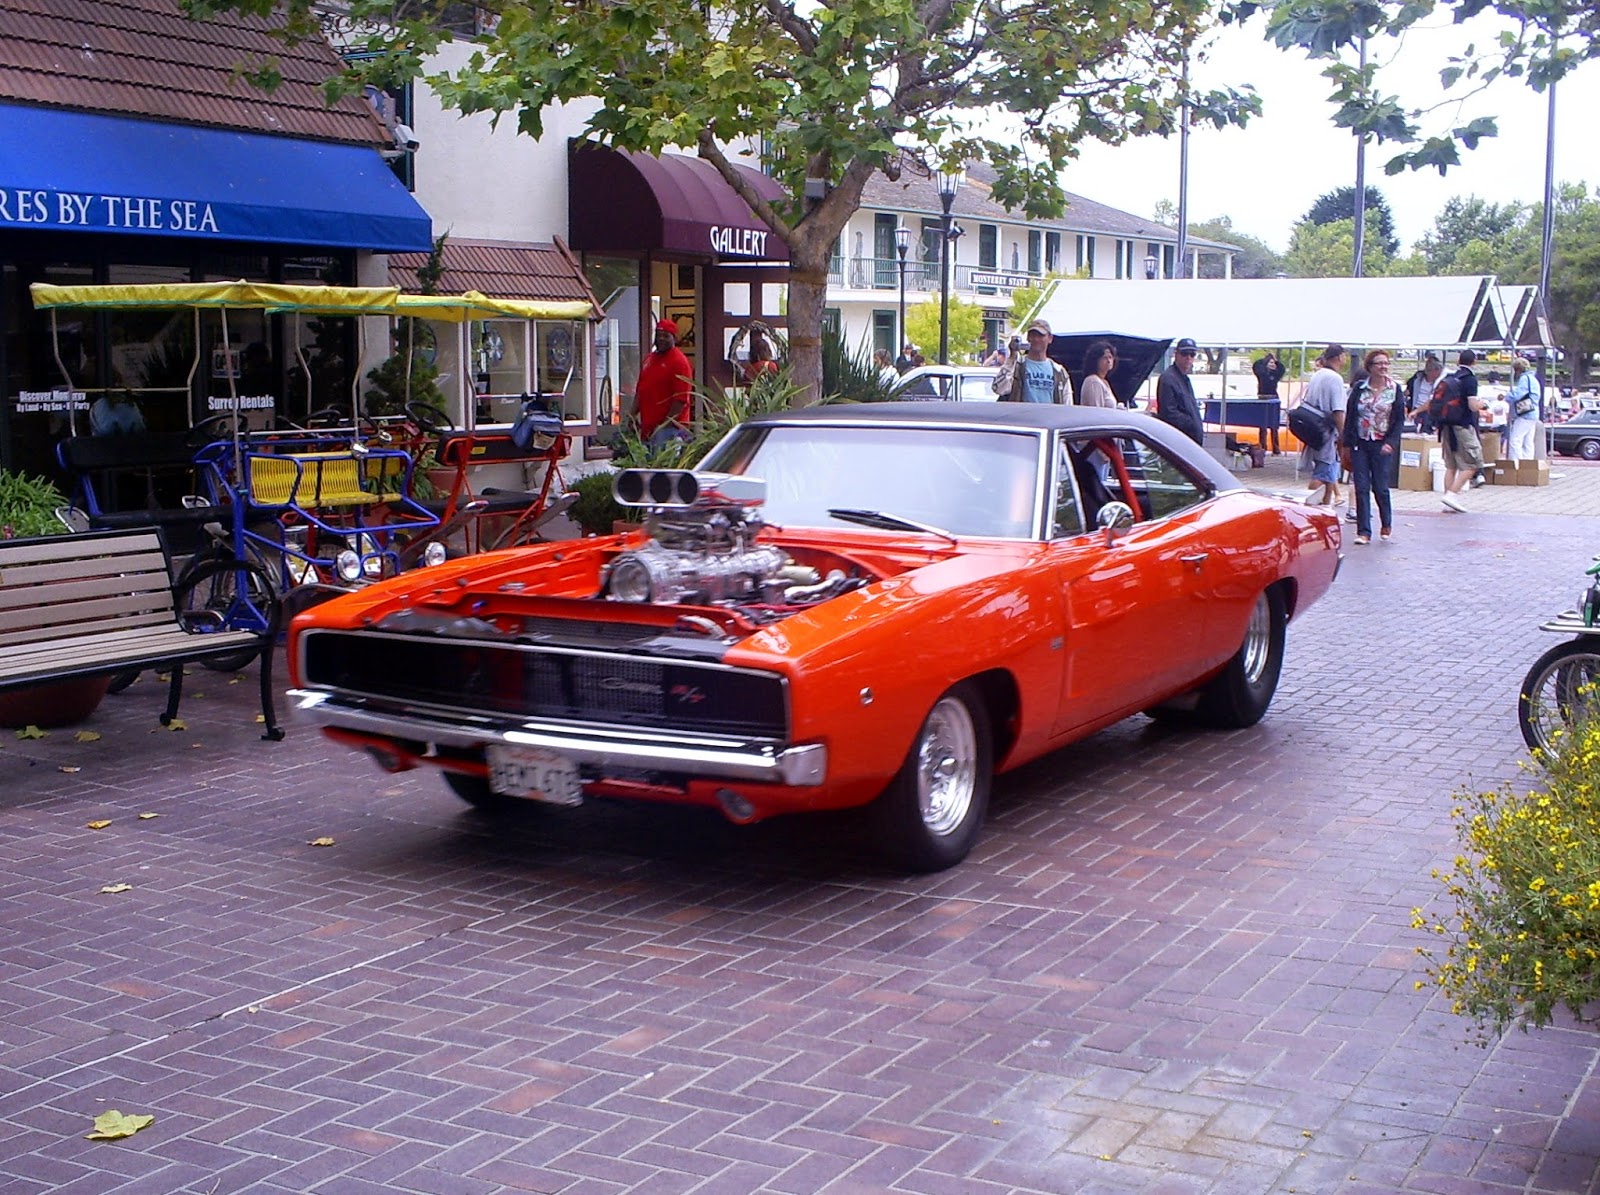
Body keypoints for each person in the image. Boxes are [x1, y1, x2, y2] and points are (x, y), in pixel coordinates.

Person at [1340, 349, 1405, 545]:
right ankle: (1364, 531)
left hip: (1382, 443)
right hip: (1361, 442)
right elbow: (1351, 416)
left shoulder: (1394, 389)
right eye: (1379, 363)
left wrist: (1391, 443)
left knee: (1380, 487)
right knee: (1361, 486)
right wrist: (1347, 445)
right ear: (1370, 367)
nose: (1383, 366)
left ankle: (1386, 523)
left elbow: (1399, 419)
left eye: (1386, 363)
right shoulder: (1360, 388)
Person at [1298, 344, 1348, 508]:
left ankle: (1325, 509)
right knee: (1323, 472)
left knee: (1329, 474)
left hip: (1314, 428)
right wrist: (1343, 434)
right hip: (1328, 430)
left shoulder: (1317, 375)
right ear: (1339, 357)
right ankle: (1310, 505)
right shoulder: (1335, 379)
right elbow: (1338, 410)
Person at [1438, 350, 1488, 512]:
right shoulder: (1470, 379)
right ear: (1474, 362)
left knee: (1451, 465)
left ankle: (1447, 499)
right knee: (1473, 463)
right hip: (1462, 426)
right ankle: (1451, 495)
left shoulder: (1451, 377)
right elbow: (1472, 405)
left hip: (1446, 426)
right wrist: (1482, 404)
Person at [632, 318, 693, 444]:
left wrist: (664, 425)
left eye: (666, 336)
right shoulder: (649, 359)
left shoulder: (679, 362)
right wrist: (632, 415)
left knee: (662, 462)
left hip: (670, 429)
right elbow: (641, 391)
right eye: (658, 335)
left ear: (674, 338)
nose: (661, 339)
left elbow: (681, 400)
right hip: (647, 428)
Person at [992, 319, 1070, 403]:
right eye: (1032, 335)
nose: (1036, 339)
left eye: (1041, 336)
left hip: (1049, 416)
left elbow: (1067, 402)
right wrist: (1012, 357)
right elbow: (999, 389)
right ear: (1028, 338)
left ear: (1050, 338)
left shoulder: (1059, 371)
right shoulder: (1016, 366)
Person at [1154, 337, 1203, 444]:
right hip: (1178, 443)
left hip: (1189, 442)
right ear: (1176, 354)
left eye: (1192, 354)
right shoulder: (1168, 378)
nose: (1188, 357)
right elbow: (1168, 413)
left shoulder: (1184, 378)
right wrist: (1192, 424)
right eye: (1184, 353)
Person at [1508, 354, 1543, 461]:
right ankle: (1527, 464)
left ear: (1518, 369)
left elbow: (1519, 394)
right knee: (1528, 441)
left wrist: (1506, 396)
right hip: (1534, 412)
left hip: (1525, 413)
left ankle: (1516, 464)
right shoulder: (1533, 379)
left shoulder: (1524, 379)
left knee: (1515, 440)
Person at [1251, 351, 1285, 453]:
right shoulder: (1261, 374)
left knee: (1274, 425)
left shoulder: (1276, 375)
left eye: (1273, 363)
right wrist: (1265, 359)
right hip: (1262, 398)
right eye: (1270, 363)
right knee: (1262, 425)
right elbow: (1256, 365)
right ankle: (1263, 447)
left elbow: (1282, 369)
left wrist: (1276, 361)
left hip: (1274, 398)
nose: (1272, 365)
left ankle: (1276, 448)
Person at [1405, 354, 1442, 431]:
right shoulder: (1417, 377)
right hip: (1416, 407)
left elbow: (1432, 400)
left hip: (1429, 410)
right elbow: (1408, 390)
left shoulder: (1440, 383)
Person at [1076, 340, 1117, 408]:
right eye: (1105, 357)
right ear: (1096, 360)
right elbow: (1096, 411)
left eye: (1110, 357)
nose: (1108, 361)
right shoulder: (1093, 381)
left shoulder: (1105, 382)